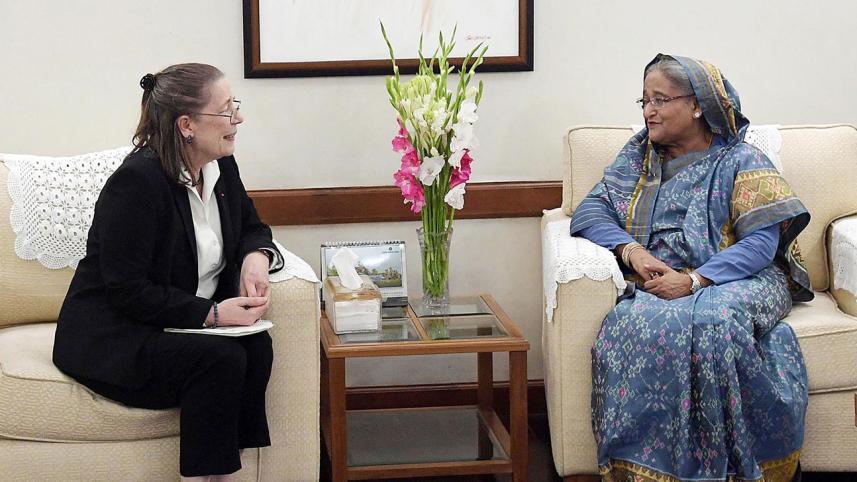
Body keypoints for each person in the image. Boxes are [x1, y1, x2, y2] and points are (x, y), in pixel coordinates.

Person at [570, 54, 812, 482]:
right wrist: (631, 252)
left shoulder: (741, 160)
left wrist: (696, 280)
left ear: (698, 104)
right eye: (644, 100)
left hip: (741, 276)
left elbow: (760, 243)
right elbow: (590, 212)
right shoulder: (639, 159)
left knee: (715, 321)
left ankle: (737, 470)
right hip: (662, 281)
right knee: (635, 323)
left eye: (660, 99)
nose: (649, 110)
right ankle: (654, 470)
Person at [53, 63, 284, 481]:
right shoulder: (137, 183)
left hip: (172, 324)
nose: (239, 118)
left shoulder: (220, 168)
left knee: (257, 348)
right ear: (186, 125)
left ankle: (226, 471)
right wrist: (212, 316)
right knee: (220, 358)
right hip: (118, 333)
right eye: (227, 110)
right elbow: (126, 290)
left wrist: (256, 257)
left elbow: (252, 227)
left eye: (236, 106)